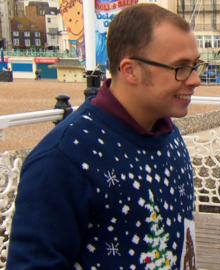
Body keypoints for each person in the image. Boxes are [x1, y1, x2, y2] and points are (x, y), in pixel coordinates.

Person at [7, 4, 207, 269]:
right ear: (130, 70)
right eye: (181, 67)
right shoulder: (63, 160)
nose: (195, 80)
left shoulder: (168, 134)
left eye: (196, 65)